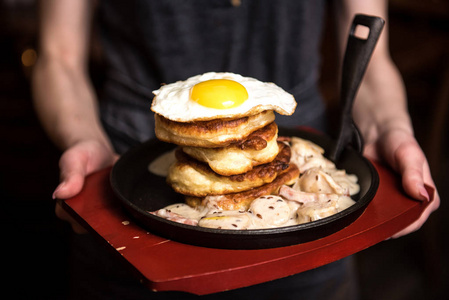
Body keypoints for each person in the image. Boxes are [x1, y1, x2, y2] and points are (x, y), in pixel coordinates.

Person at [32, 0, 440, 299]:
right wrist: (82, 138)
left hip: (302, 213)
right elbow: (58, 56)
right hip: (126, 186)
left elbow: (370, 62)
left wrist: (390, 126)